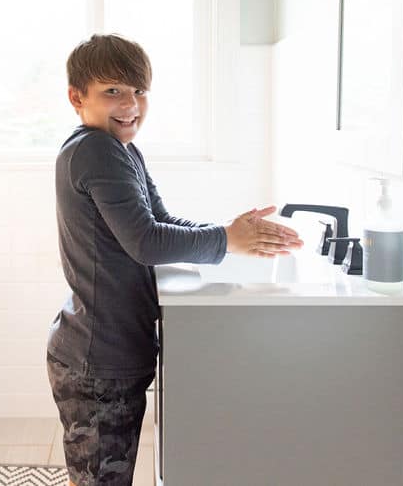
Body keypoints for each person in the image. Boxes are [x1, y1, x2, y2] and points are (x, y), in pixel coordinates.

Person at [46, 33, 303, 486]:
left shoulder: (120, 149)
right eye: (113, 91)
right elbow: (146, 242)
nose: (131, 104)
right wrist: (226, 240)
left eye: (139, 91)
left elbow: (159, 220)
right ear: (76, 97)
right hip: (98, 356)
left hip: (101, 347)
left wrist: (229, 234)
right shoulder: (96, 149)